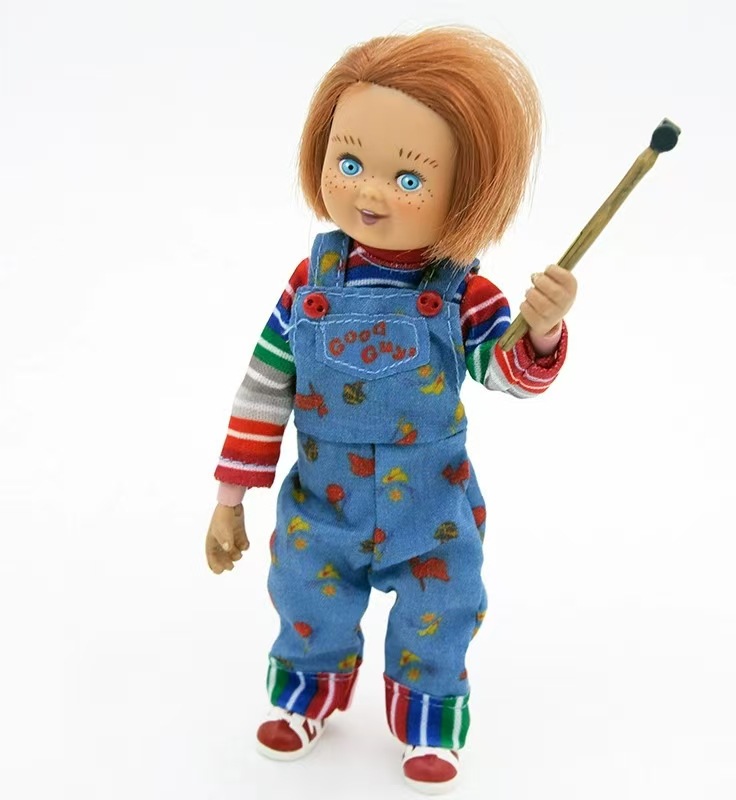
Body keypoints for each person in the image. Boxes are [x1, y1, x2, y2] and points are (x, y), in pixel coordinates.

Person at [205, 26, 577, 793]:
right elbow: (265, 385)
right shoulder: (309, 281)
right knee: (305, 597)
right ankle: (304, 698)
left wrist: (539, 331)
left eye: (409, 178)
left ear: (469, 191)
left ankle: (429, 721)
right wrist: (230, 496)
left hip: (431, 508)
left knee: (442, 609)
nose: (370, 193)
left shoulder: (463, 293)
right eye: (349, 164)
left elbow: (506, 373)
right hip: (322, 499)